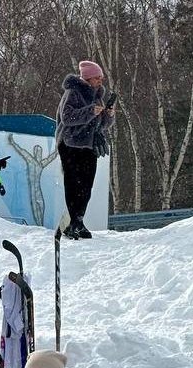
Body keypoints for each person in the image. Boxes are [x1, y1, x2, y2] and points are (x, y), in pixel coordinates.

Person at [56, 60, 115, 240]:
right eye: (98, 77)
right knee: (74, 184)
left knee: (86, 185)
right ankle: (74, 222)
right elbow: (67, 118)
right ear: (88, 78)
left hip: (89, 145)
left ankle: (78, 221)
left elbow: (99, 125)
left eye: (101, 78)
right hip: (71, 144)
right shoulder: (72, 93)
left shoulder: (96, 95)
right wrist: (90, 111)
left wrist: (108, 116)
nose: (101, 81)